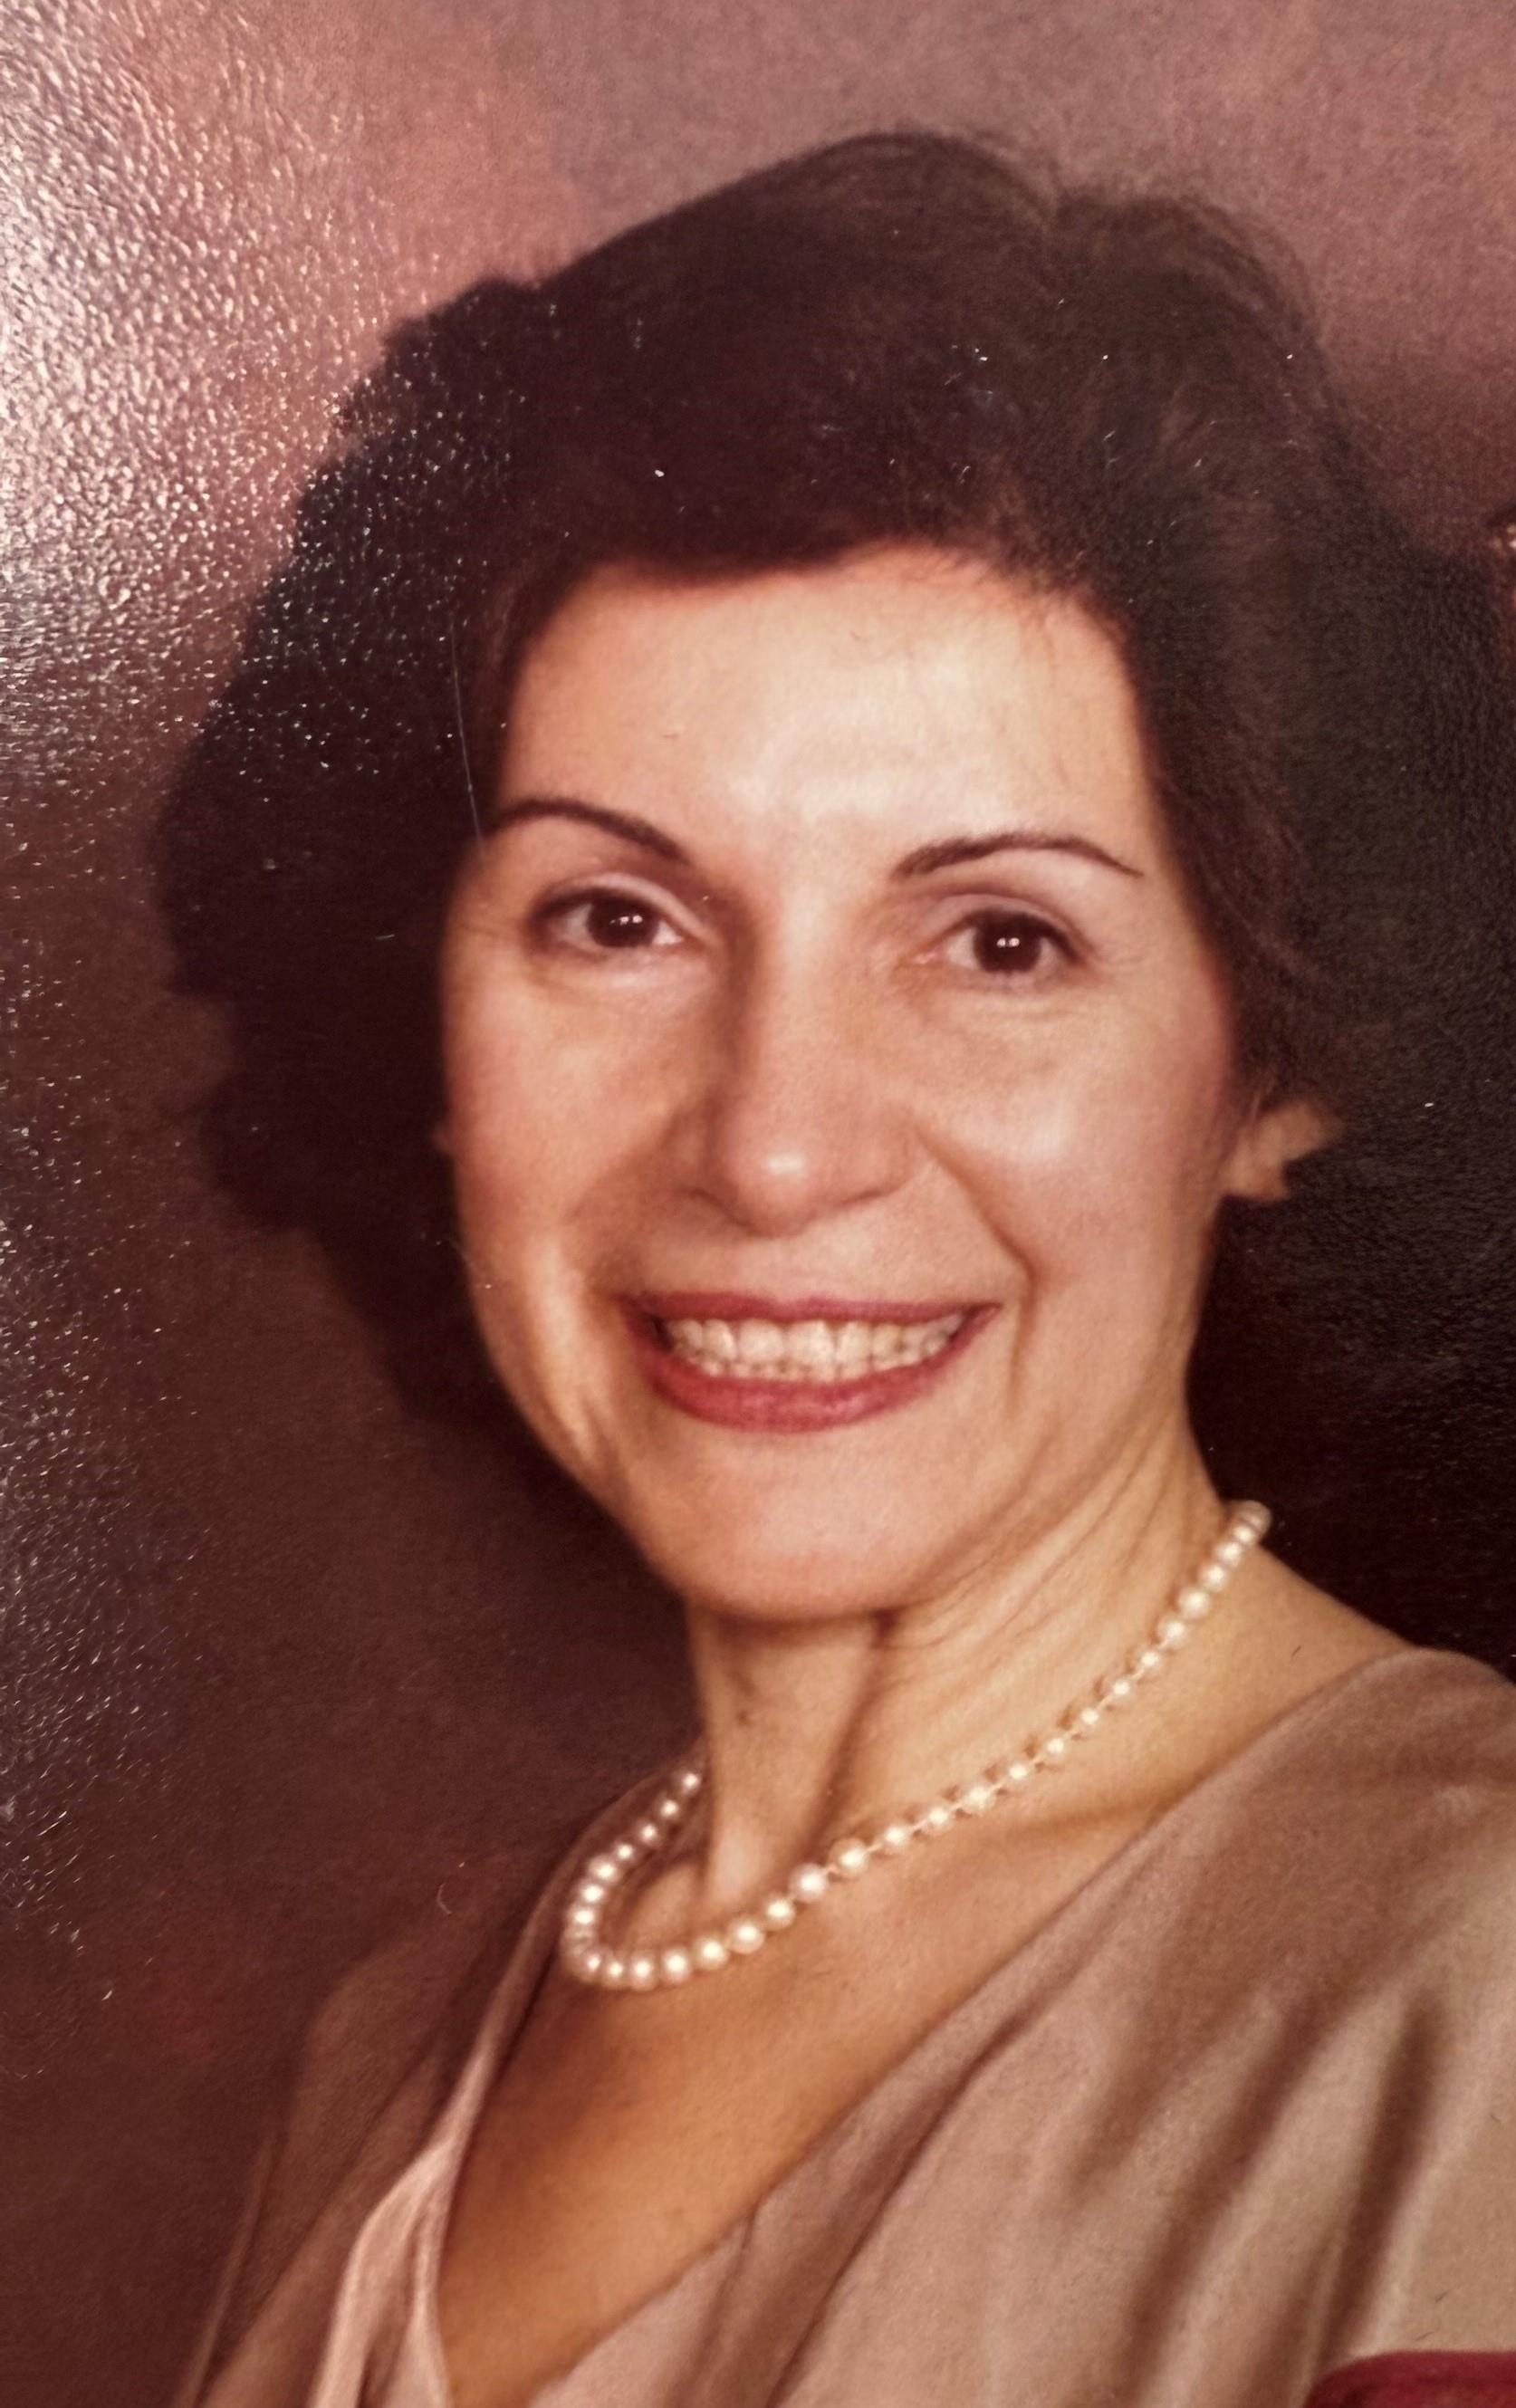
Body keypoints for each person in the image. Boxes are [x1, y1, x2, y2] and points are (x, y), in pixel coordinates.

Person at [161, 132, 1516, 2408]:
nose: (775, 1148)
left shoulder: (1472, 1993)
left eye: (1002, 940)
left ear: (1279, 1060)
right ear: (420, 1017)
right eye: (616, 917)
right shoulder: (383, 2057)